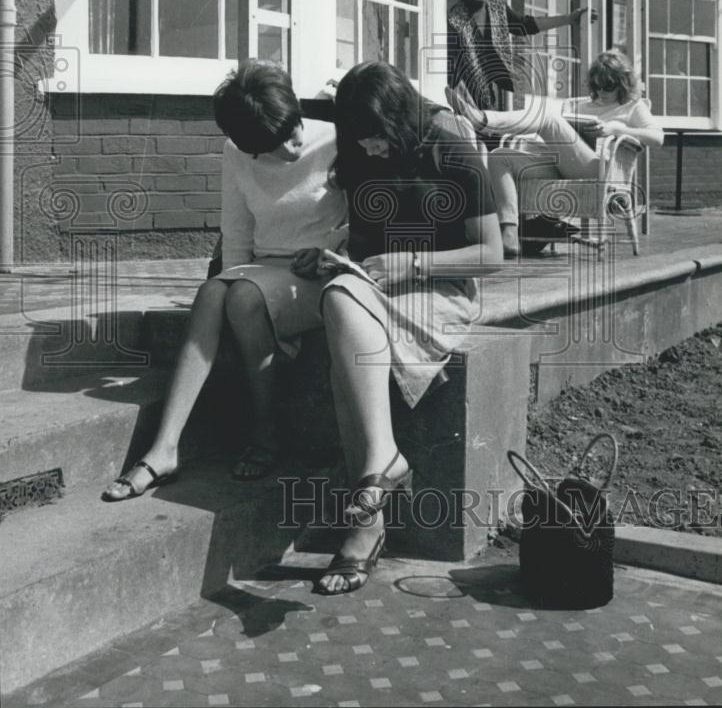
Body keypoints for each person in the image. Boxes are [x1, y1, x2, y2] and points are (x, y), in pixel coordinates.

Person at [102, 60, 348, 499]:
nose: (290, 148)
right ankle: (164, 447)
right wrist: (231, 278)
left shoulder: (337, 140)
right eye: (272, 146)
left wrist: (333, 251)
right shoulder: (236, 152)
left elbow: (362, 222)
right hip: (264, 269)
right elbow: (236, 233)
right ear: (250, 147)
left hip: (320, 272)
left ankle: (265, 432)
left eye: (292, 131)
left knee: (243, 297)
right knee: (215, 291)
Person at [315, 62, 503, 595]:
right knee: (337, 295)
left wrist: (413, 264)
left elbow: (492, 255)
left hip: (440, 289)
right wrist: (332, 255)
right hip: (377, 284)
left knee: (345, 338)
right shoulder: (359, 154)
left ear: (400, 117)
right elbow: (365, 241)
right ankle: (383, 463)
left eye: (375, 136)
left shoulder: (452, 151)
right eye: (357, 138)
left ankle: (367, 521)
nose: (368, 148)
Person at [446, 49, 664, 258]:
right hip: (564, 163)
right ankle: (509, 234)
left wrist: (616, 129)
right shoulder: (582, 106)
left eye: (608, 85)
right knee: (499, 157)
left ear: (622, 83)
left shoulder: (632, 107)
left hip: (599, 167)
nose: (601, 92)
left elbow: (657, 137)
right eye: (596, 85)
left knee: (548, 119)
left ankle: (483, 120)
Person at [447, 0, 594, 111]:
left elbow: (525, 25)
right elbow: (453, 67)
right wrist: (466, 106)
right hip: (464, 96)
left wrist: (569, 19)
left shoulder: (496, 4)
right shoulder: (456, 17)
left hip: (494, 95)